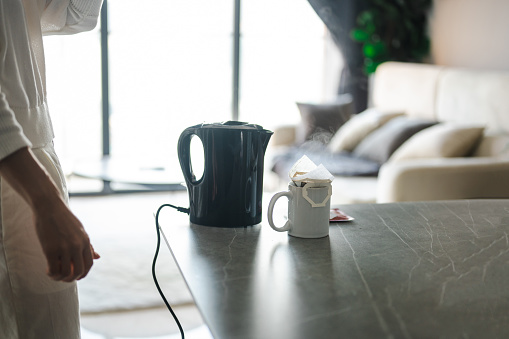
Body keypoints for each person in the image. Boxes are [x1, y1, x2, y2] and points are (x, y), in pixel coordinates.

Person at [0, 0, 104, 337]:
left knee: (50, 320)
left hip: (29, 148)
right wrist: (46, 202)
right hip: (17, 158)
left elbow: (74, 16)